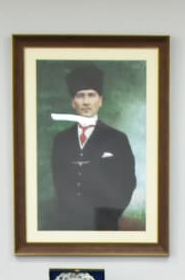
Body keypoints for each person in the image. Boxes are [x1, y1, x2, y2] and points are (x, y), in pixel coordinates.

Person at [49, 64, 135, 231]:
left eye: (91, 95)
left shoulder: (117, 139)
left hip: (104, 224)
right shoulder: (60, 141)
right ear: (73, 102)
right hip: (68, 224)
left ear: (100, 101)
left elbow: (128, 182)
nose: (86, 101)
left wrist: (111, 215)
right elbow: (58, 181)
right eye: (80, 96)